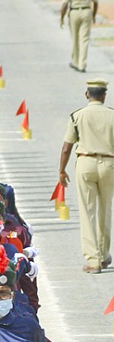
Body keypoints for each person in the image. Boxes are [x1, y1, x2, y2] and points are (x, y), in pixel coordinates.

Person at [58, 78, 114, 273]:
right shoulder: (112, 115)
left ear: (87, 95)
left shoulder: (77, 116)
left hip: (86, 162)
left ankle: (93, 260)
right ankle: (104, 254)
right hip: (108, 163)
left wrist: (62, 170)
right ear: (104, 96)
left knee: (87, 211)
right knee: (105, 210)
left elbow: (66, 148)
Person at [60, 0, 98, 73]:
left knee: (75, 38)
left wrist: (62, 18)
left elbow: (64, 4)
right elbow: (95, 2)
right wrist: (94, 15)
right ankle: (82, 64)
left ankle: (75, 62)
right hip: (87, 11)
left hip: (74, 12)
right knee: (84, 39)